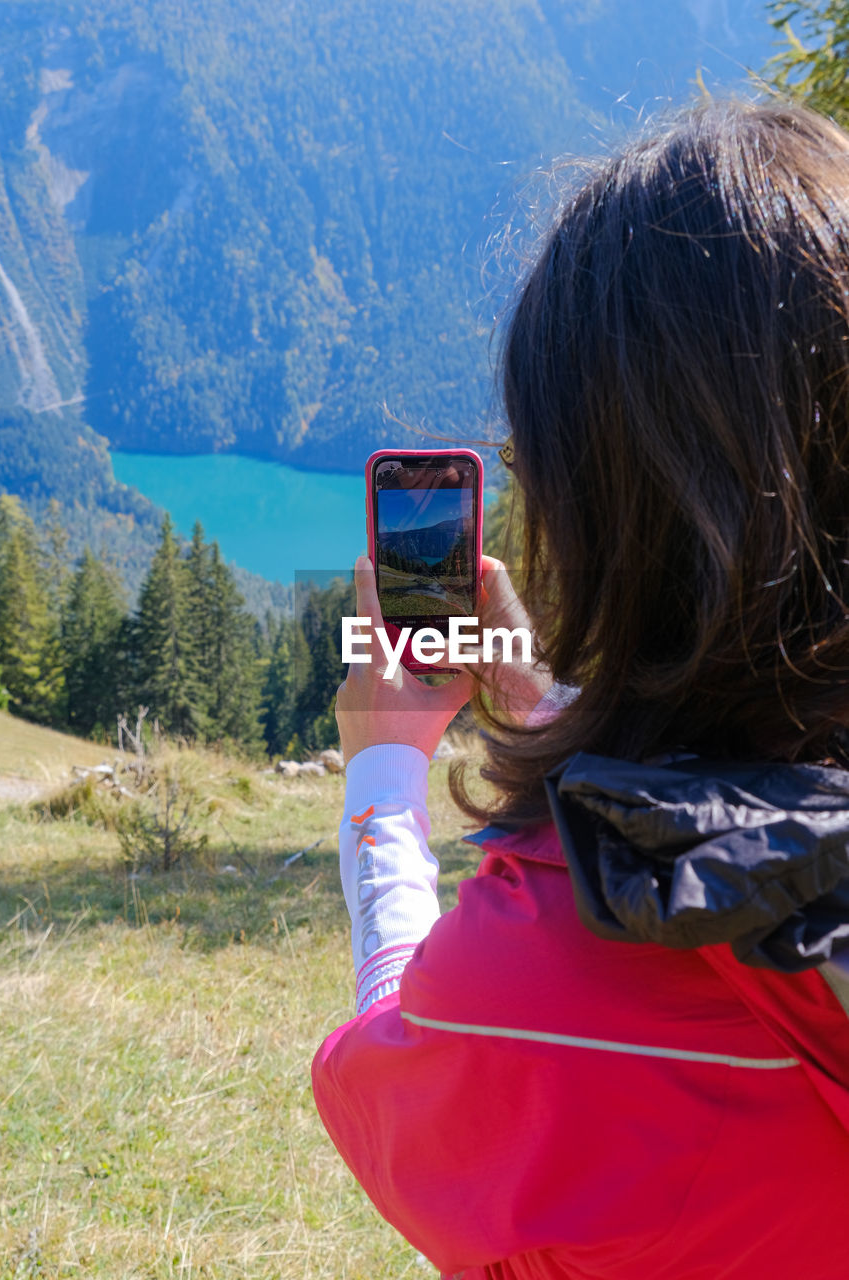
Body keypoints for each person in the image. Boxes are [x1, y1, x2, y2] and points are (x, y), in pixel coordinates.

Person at [311, 98, 849, 1279]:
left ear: (605, 514)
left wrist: (385, 770)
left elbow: (385, 1077)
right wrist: (552, 717)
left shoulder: (544, 981)